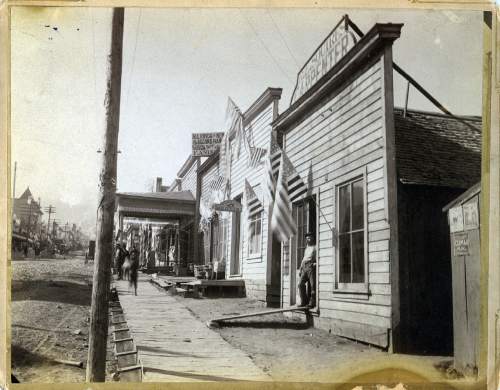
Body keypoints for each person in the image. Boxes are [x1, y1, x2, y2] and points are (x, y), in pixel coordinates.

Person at [298, 232, 316, 308]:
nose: (308, 239)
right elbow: (304, 258)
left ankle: (312, 303)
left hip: (310, 266)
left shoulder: (315, 247)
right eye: (307, 238)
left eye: (309, 238)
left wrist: (315, 263)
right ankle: (304, 301)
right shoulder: (307, 248)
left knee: (313, 286)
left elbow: (318, 257)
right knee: (300, 284)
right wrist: (300, 268)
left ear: (312, 238)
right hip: (304, 267)